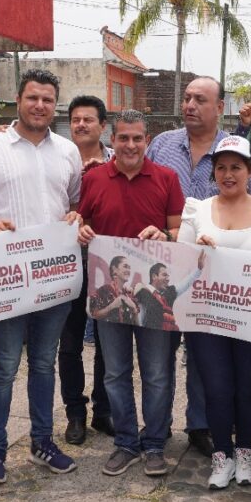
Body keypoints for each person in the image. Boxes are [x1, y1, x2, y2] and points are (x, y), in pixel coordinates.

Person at [0, 68, 83, 484]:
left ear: (55, 105)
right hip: (7, 278)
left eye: (48, 100)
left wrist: (73, 217)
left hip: (53, 279)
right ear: (19, 101)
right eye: (33, 98)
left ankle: (43, 443)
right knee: (4, 366)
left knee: (44, 364)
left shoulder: (67, 151)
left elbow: (74, 204)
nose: (40, 106)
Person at [146, 76, 251, 457]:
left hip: (217, 278)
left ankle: (201, 425)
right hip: (167, 266)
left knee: (203, 358)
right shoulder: (161, 145)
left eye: (200, 99)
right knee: (159, 356)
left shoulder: (235, 151)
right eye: (187, 98)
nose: (190, 105)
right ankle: (157, 428)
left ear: (220, 107)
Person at [76, 109, 184, 477]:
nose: (131, 145)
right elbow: (83, 220)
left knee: (157, 373)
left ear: (147, 140)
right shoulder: (94, 179)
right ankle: (125, 441)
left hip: (152, 297)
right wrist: (83, 231)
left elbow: (177, 232)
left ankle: (154, 442)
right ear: (113, 139)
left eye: (138, 138)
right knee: (115, 374)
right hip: (109, 294)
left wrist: (165, 236)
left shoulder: (167, 179)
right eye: (124, 138)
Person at [177, 135, 251, 489]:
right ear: (213, 173)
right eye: (221, 168)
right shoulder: (197, 209)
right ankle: (221, 456)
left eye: (236, 167)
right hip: (207, 319)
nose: (228, 174)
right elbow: (181, 264)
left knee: (247, 388)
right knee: (217, 388)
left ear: (250, 171)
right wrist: (198, 249)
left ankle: (244, 452)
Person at [59, 95, 114, 445]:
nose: (81, 124)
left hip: (108, 260)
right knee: (70, 343)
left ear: (102, 125)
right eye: (75, 119)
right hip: (65, 261)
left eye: (88, 119)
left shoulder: (118, 158)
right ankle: (74, 413)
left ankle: (103, 411)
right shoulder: (57, 157)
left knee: (108, 343)